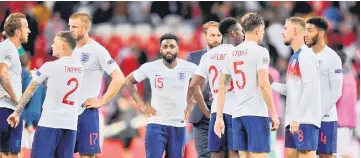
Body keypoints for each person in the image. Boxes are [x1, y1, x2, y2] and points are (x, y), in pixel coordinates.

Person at [7, 31, 83, 158]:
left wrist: (16, 112)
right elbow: (61, 87)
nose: (52, 45)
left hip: (50, 123)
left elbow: (29, 92)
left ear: (63, 45)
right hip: (70, 124)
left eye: (55, 42)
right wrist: (43, 77)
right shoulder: (80, 68)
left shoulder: (50, 66)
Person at [214, 12, 280, 158]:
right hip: (256, 113)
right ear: (257, 30)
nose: (262, 34)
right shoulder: (261, 52)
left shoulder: (231, 54)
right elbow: (263, 84)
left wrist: (219, 117)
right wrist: (274, 113)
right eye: (262, 31)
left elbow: (222, 87)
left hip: (237, 115)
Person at [124, 33, 197, 158]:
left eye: (172, 46)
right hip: (156, 123)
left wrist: (191, 103)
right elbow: (128, 81)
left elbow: (202, 82)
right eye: (165, 46)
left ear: (177, 49)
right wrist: (142, 105)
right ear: (161, 49)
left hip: (178, 125)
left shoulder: (189, 67)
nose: (168, 49)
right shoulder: (150, 67)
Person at [68, 12, 125, 158]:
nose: (71, 30)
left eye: (75, 27)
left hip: (86, 111)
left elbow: (119, 77)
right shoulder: (67, 49)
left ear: (86, 27)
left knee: (88, 155)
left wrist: (102, 101)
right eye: (70, 26)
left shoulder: (97, 50)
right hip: (66, 111)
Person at [189, 17, 243, 158]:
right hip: (234, 109)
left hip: (215, 111)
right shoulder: (239, 54)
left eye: (217, 34)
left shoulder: (208, 56)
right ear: (233, 33)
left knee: (215, 152)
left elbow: (193, 85)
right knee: (234, 152)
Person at [272, 17, 322, 158]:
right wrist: (271, 84)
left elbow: (309, 88)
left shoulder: (306, 55)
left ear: (295, 31)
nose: (282, 33)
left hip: (304, 120)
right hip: (293, 120)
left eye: (286, 28)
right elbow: (291, 90)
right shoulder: (295, 57)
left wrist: (297, 118)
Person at [304, 17, 343, 158]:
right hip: (306, 117)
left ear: (321, 33)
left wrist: (318, 112)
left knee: (326, 155)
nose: (306, 34)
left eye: (309, 30)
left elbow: (337, 91)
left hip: (326, 117)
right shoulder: (303, 56)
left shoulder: (332, 57)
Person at [187, 20, 222, 158]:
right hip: (201, 115)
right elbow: (190, 86)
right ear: (205, 36)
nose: (216, 39)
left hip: (222, 113)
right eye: (212, 35)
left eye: (219, 35)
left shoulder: (229, 56)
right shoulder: (193, 57)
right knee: (204, 154)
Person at [0, 13, 30, 158]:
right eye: (26, 27)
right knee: (11, 154)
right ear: (18, 31)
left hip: (5, 108)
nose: (29, 31)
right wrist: (16, 99)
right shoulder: (9, 49)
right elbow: (2, 74)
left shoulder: (6, 47)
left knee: (5, 153)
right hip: (7, 108)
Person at [335, 50, 357, 158]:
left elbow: (334, 100)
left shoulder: (339, 79)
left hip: (339, 123)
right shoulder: (351, 79)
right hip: (350, 123)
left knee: (343, 153)